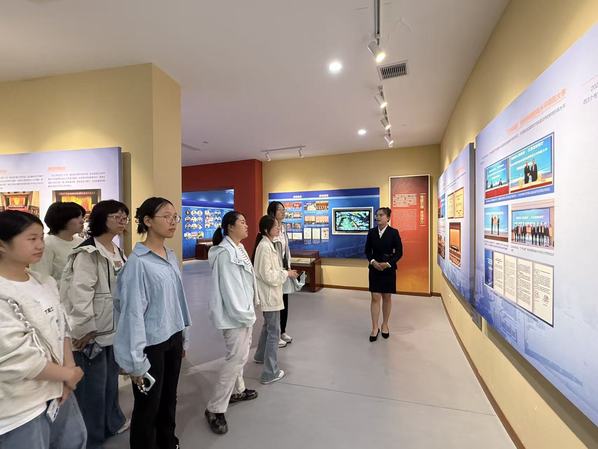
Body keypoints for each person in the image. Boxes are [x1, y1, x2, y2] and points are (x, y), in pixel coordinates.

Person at [0, 210, 87, 449]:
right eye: (31, 239)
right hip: (21, 407)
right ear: (2, 245)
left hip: (59, 391)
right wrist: (67, 376)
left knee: (73, 441)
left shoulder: (44, 282)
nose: (40, 245)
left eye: (41, 237)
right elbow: (17, 359)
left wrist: (69, 369)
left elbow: (62, 327)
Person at [113, 197, 191, 449]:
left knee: (169, 398)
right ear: (147, 221)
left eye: (175, 217)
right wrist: (135, 362)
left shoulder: (169, 255)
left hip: (173, 336)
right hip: (151, 345)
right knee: (148, 405)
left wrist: (183, 337)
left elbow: (177, 300)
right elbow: (132, 315)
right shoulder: (138, 263)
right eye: (166, 216)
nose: (173, 222)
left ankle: (167, 441)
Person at [60, 200, 129, 449]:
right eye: (117, 216)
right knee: (92, 389)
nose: (122, 221)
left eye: (124, 217)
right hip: (93, 333)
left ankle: (111, 422)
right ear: (101, 219)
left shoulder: (117, 250)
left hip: (113, 329)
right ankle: (91, 438)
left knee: (110, 383)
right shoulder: (88, 252)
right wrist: (84, 328)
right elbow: (80, 293)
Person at [205, 211, 259, 435]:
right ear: (230, 227)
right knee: (234, 358)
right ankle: (215, 408)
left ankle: (238, 390)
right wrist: (244, 314)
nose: (247, 225)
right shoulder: (225, 253)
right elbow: (230, 289)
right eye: (242, 222)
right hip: (235, 316)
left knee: (241, 356)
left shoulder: (239, 248)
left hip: (244, 312)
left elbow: (247, 281)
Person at [252, 215, 299, 384]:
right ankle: (270, 372)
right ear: (267, 229)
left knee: (268, 326)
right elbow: (268, 275)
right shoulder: (265, 247)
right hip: (269, 295)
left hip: (271, 294)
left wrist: (284, 272)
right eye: (275, 226)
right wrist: (286, 273)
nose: (279, 228)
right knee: (274, 331)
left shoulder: (267, 245)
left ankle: (260, 355)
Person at [364, 207, 403, 342]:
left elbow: (399, 252)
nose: (378, 217)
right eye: (377, 215)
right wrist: (373, 262)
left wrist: (388, 263)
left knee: (387, 297)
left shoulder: (393, 233)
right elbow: (367, 251)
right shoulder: (371, 232)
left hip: (388, 269)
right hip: (374, 268)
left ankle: (385, 324)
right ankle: (375, 327)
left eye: (381, 215)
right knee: (375, 297)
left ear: (388, 218)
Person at [30, 201, 86, 282]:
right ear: (63, 219)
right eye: (77, 217)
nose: (82, 221)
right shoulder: (47, 245)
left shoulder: (81, 242)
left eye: (82, 217)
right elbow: (41, 277)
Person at [267, 201, 294, 348]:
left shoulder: (283, 228)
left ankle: (282, 331)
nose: (283, 212)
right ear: (272, 212)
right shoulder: (269, 229)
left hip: (284, 270)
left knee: (284, 302)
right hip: (275, 272)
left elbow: (285, 250)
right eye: (280, 210)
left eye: (284, 210)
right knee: (275, 305)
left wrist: (288, 267)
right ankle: (275, 335)